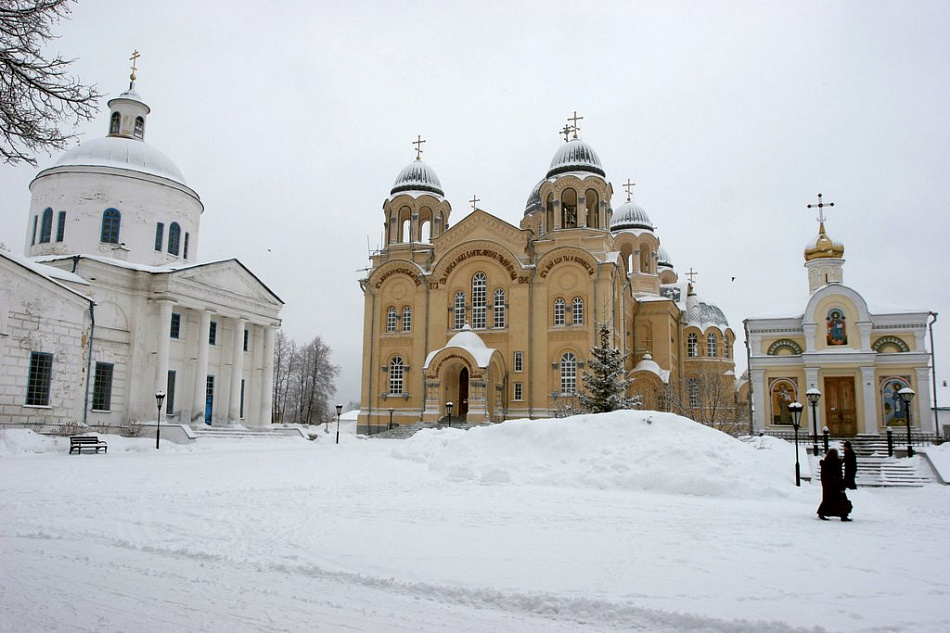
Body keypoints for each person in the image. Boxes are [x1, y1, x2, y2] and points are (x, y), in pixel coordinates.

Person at [817, 448, 852, 521]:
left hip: (828, 485)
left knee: (827, 500)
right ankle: (843, 515)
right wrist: (841, 485)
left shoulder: (826, 463)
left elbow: (825, 475)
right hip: (836, 485)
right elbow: (838, 474)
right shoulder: (835, 463)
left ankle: (822, 513)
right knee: (841, 500)